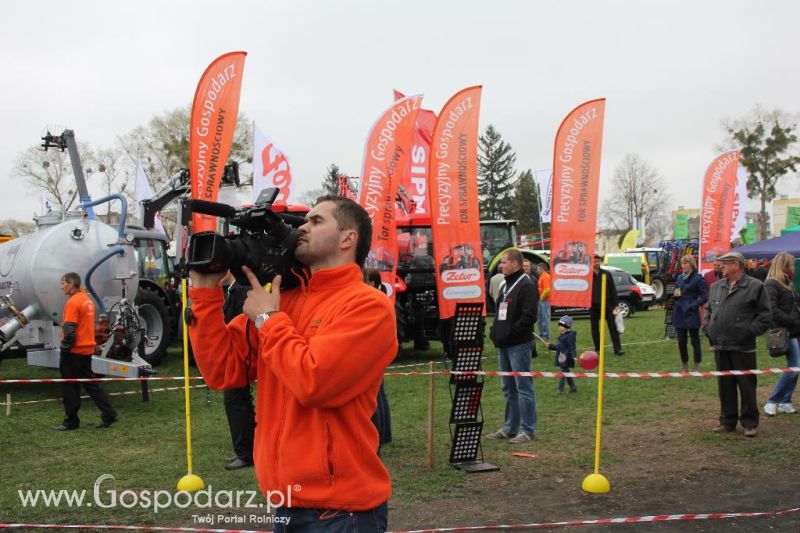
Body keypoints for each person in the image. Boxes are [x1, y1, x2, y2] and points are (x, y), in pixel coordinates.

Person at [188, 195, 396, 531]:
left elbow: (315, 382)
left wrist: (268, 319)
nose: (303, 227)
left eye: (316, 221)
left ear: (348, 238)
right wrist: (204, 291)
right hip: (285, 502)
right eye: (304, 220)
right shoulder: (284, 299)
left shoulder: (367, 305)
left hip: (340, 512)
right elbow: (221, 368)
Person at [702, 251, 771, 438]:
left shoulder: (755, 286)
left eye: (724, 263)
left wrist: (748, 331)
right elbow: (708, 310)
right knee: (725, 385)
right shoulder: (716, 286)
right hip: (720, 345)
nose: (720, 266)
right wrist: (708, 328)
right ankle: (727, 421)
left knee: (747, 385)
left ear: (736, 265)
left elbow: (765, 316)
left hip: (743, 347)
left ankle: (750, 423)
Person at [487, 249, 539, 443]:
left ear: (515, 264)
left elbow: (529, 316)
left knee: (523, 387)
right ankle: (510, 428)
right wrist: (495, 331)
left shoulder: (526, 284)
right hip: (504, 345)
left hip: (518, 345)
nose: (501, 266)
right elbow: (501, 311)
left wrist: (510, 333)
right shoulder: (505, 285)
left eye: (504, 262)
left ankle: (528, 430)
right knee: (508, 388)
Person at [53, 272, 118, 431]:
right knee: (91, 384)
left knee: (70, 386)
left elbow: (69, 329)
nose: (61, 286)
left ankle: (71, 421)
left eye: (63, 283)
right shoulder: (87, 300)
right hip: (86, 349)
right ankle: (109, 413)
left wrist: (65, 349)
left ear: (71, 284)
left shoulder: (72, 302)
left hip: (73, 351)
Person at [220, 272, 256, 471]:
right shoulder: (231, 291)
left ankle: (245, 452)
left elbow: (242, 321)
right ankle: (245, 450)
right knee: (237, 403)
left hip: (241, 356)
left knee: (235, 402)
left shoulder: (242, 291)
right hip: (235, 357)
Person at [762, 252, 800, 416]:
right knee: (794, 366)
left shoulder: (787, 283)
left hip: (795, 330)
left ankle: (785, 400)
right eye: (791, 265)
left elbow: (795, 302)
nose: (793, 269)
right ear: (784, 266)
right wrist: (791, 320)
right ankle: (773, 400)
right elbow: (772, 309)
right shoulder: (772, 283)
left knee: (796, 367)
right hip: (784, 331)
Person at [364, 267, 393, 446]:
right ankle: (385, 433)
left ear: (372, 283)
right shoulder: (380, 299)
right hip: (381, 350)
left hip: (375, 352)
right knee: (381, 394)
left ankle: (381, 434)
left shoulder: (374, 300)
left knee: (377, 395)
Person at [673, 255, 708, 372]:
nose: (683, 266)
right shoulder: (679, 278)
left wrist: (694, 305)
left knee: (695, 340)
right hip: (679, 312)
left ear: (691, 264)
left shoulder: (698, 278)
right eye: (682, 264)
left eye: (685, 263)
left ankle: (697, 365)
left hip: (691, 312)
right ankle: (684, 365)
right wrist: (676, 296)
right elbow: (677, 291)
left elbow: (704, 296)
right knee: (681, 341)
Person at [590, 255, 624, 356]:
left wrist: (616, 305)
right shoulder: (587, 276)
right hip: (593, 305)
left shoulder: (607, 274)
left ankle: (617, 349)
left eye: (597, 261)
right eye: (594, 261)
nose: (596, 263)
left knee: (613, 326)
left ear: (600, 262)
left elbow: (613, 290)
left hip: (608, 304)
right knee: (594, 328)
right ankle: (598, 349)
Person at [548, 315, 577, 394]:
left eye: (561, 325)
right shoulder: (562, 335)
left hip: (566, 358)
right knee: (566, 373)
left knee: (562, 374)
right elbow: (559, 346)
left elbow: (572, 347)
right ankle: (573, 386)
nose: (559, 327)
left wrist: (574, 356)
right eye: (559, 325)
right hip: (561, 357)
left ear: (566, 326)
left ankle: (560, 390)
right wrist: (551, 346)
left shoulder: (570, 336)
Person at [537, 263, 552, 342]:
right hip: (542, 300)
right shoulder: (542, 276)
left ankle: (546, 336)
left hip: (545, 300)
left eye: (538, 268)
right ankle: (542, 334)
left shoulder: (545, 276)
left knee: (545, 318)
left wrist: (541, 298)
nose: (537, 270)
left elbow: (547, 289)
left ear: (541, 268)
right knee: (540, 318)